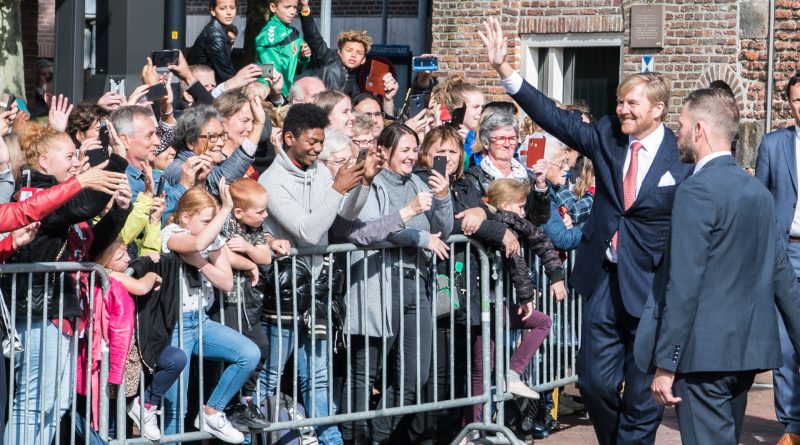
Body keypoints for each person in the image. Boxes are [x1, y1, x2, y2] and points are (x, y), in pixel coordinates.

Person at [478, 17, 694, 445]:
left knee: (641, 393)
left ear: (658, 109)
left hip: (654, 287)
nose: (622, 110)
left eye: (632, 103)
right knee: (593, 383)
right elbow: (555, 119)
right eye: (619, 102)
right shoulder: (606, 137)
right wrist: (507, 72)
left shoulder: (681, 155)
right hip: (605, 282)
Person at [641, 88, 800, 445]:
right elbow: (782, 278)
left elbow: (684, 283)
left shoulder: (696, 190)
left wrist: (667, 362)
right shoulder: (758, 191)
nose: (676, 132)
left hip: (702, 358)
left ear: (699, 129)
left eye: (680, 124)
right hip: (744, 355)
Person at [4, 123, 131, 445]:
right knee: (33, 404)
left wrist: (119, 211)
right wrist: (115, 162)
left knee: (57, 403)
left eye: (78, 157)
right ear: (44, 161)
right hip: (37, 312)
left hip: (62, 313)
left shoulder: (62, 200)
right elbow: (83, 205)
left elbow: (92, 246)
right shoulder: (36, 194)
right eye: (70, 156)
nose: (77, 163)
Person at [258, 103, 375, 445]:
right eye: (311, 141)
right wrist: (338, 188)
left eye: (321, 142)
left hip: (319, 290)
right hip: (285, 292)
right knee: (271, 375)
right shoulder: (271, 181)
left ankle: (330, 439)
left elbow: (343, 216)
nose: (317, 148)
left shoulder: (321, 172)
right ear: (289, 138)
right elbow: (308, 232)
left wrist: (362, 184)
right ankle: (265, 438)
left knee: (319, 376)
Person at [337, 123, 453, 444]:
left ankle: (379, 434)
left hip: (418, 284)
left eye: (415, 150)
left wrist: (442, 198)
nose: (411, 156)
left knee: (416, 375)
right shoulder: (372, 184)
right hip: (379, 283)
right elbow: (369, 230)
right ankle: (354, 437)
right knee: (365, 372)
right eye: (404, 149)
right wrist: (417, 233)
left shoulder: (418, 180)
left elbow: (441, 230)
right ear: (384, 151)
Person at [160, 182, 261, 444]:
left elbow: (226, 282)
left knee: (248, 353)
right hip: (176, 326)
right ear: (185, 216)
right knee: (175, 405)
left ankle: (212, 411)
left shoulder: (209, 238)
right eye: (206, 220)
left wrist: (202, 262)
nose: (211, 226)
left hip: (201, 321)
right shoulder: (172, 232)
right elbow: (197, 242)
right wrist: (226, 208)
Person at [755, 71, 800, 445]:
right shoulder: (774, 144)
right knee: (784, 344)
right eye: (797, 99)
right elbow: (761, 202)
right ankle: (791, 425)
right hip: (787, 251)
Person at [213, 178, 273, 434]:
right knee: (236, 354)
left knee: (260, 347)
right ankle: (226, 405)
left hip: (250, 303)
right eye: (260, 212)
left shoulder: (254, 229)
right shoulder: (226, 223)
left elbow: (266, 256)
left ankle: (246, 401)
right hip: (226, 301)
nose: (266, 215)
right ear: (238, 212)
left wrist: (248, 248)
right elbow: (221, 252)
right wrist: (248, 263)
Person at [298, 0, 399, 114]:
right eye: (349, 50)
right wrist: (305, 8)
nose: (353, 55)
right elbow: (313, 37)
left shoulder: (359, 83)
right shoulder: (329, 58)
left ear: (363, 60)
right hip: (319, 114)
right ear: (339, 52)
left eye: (359, 53)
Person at [255, 0, 311, 97]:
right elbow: (269, 71)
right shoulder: (269, 35)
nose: (292, 12)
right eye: (287, 7)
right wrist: (281, 97)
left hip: (285, 94)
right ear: (273, 7)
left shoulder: (294, 33)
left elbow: (297, 70)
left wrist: (303, 57)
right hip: (268, 95)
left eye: (294, 7)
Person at [187, 0, 239, 83]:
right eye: (223, 8)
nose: (229, 12)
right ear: (213, 11)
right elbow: (227, 73)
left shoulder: (230, 29)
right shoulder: (214, 35)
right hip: (202, 83)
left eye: (232, 8)